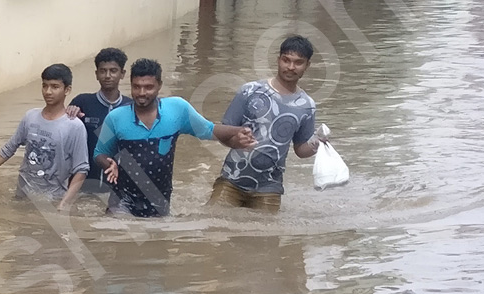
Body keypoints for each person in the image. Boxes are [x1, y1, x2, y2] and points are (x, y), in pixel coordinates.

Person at [94, 58, 256, 218]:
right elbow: (99, 153)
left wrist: (238, 131)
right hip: (123, 200)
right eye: (137, 87)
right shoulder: (115, 118)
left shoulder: (177, 109)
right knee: (118, 233)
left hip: (159, 201)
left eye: (148, 87)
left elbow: (209, 130)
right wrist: (108, 163)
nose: (142, 93)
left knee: (158, 241)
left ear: (160, 86)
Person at [208, 35, 321, 212]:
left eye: (298, 63)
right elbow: (221, 131)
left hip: (270, 187)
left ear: (307, 66)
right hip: (231, 179)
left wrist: (318, 142)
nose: (291, 67)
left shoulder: (307, 106)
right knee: (214, 226)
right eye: (286, 60)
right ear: (278, 60)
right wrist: (235, 140)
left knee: (266, 239)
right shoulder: (250, 91)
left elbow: (301, 150)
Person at [0, 64, 89, 211]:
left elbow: (81, 169)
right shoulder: (31, 117)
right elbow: (8, 149)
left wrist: (64, 203)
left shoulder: (74, 126)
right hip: (22, 197)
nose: (48, 92)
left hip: (52, 202)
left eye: (55, 87)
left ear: (67, 90)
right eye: (45, 86)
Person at [68, 47, 132, 194]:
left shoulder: (130, 107)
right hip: (83, 184)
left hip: (117, 186)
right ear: (96, 74)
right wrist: (69, 115)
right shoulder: (82, 102)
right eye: (103, 71)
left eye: (113, 71)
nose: (108, 75)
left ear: (122, 74)